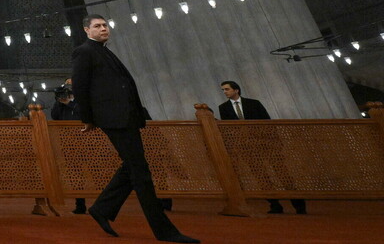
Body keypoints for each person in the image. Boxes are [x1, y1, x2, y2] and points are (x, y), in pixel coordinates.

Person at [72, 15, 198, 243]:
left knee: (133, 168)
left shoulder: (104, 51)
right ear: (86, 30)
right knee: (140, 173)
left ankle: (102, 208)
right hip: (113, 118)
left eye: (105, 25)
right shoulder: (85, 51)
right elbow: (80, 87)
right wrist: (87, 119)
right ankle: (165, 231)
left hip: (126, 117)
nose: (103, 29)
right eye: (97, 26)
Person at [218, 80, 306, 215]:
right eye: (223, 90)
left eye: (227, 89)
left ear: (236, 90)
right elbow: (229, 128)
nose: (224, 92)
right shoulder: (223, 107)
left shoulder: (253, 103)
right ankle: (275, 205)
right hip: (246, 147)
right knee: (261, 177)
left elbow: (266, 121)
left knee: (282, 174)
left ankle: (299, 205)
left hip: (265, 144)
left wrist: (275, 142)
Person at [49, 82, 87, 215]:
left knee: (91, 172)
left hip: (85, 141)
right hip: (68, 142)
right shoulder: (60, 104)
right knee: (76, 174)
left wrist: (69, 103)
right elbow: (54, 116)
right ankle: (80, 204)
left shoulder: (81, 100)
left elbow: (84, 113)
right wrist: (60, 103)